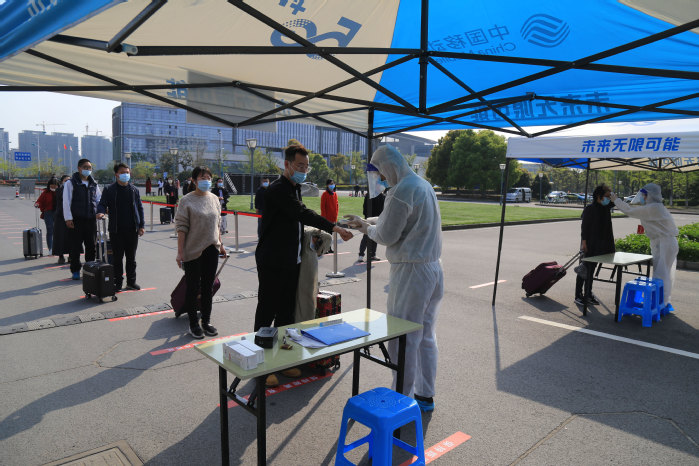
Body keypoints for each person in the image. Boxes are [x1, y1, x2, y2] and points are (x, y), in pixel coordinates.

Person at [344, 145, 443, 412]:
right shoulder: (421, 184)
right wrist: (366, 221)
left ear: (388, 167)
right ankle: (424, 394)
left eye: (382, 174)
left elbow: (387, 234)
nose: (382, 179)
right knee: (425, 336)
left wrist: (366, 228)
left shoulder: (401, 191)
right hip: (432, 268)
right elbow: (397, 219)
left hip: (412, 272)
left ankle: (401, 400)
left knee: (403, 338)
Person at [256, 144, 353, 387]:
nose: (303, 170)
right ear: (287, 164)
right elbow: (302, 213)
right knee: (267, 312)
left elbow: (296, 221)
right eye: (300, 165)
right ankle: (261, 366)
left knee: (287, 313)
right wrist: (334, 227)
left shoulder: (294, 188)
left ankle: (283, 360)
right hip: (273, 261)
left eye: (306, 167)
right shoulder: (278, 189)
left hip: (292, 260)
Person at [175, 166, 227, 339]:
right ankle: (193, 324)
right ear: (194, 180)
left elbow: (217, 224)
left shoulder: (214, 199)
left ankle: (206, 321)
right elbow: (181, 227)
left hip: (212, 249)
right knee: (192, 287)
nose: (206, 180)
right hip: (193, 250)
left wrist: (221, 245)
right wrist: (180, 252)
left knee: (207, 287)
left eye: (208, 177)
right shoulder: (186, 200)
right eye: (202, 177)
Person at [611, 183, 679, 313]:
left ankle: (661, 304)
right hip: (663, 242)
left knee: (661, 274)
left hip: (665, 243)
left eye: (643, 195)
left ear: (649, 195)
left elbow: (629, 210)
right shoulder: (654, 207)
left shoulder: (654, 208)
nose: (642, 197)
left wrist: (617, 201)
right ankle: (662, 302)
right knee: (663, 273)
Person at [96, 163, 145, 291]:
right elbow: (102, 204)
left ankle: (131, 282)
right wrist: (100, 212)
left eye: (127, 172)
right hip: (116, 230)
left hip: (132, 230)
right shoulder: (109, 189)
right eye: (123, 172)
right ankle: (117, 283)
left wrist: (141, 225)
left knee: (131, 258)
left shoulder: (134, 190)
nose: (126, 174)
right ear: (116, 174)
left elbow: (139, 208)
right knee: (117, 259)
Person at [574, 184, 615, 306]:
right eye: (607, 196)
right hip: (590, 244)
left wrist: (612, 196)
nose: (609, 198)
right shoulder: (590, 209)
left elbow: (615, 201)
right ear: (599, 196)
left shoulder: (605, 207)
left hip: (600, 245)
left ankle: (588, 293)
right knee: (584, 270)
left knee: (591, 270)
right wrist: (584, 243)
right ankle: (578, 295)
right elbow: (584, 227)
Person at [64, 159, 101, 280]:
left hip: (90, 220)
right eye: (85, 167)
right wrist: (68, 218)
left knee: (91, 247)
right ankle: (75, 270)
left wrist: (100, 211)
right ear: (79, 168)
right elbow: (66, 201)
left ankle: (89, 270)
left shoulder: (94, 184)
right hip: (76, 220)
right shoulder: (71, 183)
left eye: (90, 168)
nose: (88, 170)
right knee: (75, 247)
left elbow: (98, 200)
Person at [357, 188, 385, 262]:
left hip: (377, 218)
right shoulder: (371, 194)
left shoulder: (381, 196)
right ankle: (361, 255)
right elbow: (365, 207)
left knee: (374, 236)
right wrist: (367, 217)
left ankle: (372, 254)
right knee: (366, 237)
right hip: (370, 218)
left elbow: (383, 208)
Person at [34, 177, 59, 254]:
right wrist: (37, 204)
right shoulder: (45, 192)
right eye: (52, 185)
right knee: (50, 230)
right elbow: (39, 201)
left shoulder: (61, 191)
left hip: (58, 213)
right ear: (49, 185)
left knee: (57, 231)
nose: (53, 187)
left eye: (55, 185)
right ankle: (50, 248)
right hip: (48, 213)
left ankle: (57, 247)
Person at [52, 175, 71, 264]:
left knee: (71, 237)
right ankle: (61, 256)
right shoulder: (59, 190)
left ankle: (71, 256)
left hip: (71, 216)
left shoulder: (74, 190)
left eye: (69, 180)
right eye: (66, 180)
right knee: (60, 237)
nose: (68, 182)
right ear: (62, 182)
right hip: (60, 217)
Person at [212, 177, 230, 242]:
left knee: (224, 217)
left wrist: (223, 198)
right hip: (216, 205)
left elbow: (228, 195)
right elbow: (212, 196)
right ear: (217, 182)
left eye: (221, 182)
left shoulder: (224, 189)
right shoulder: (214, 190)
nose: (220, 183)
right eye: (219, 182)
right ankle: (217, 229)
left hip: (223, 205)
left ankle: (223, 229)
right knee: (217, 217)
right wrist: (218, 197)